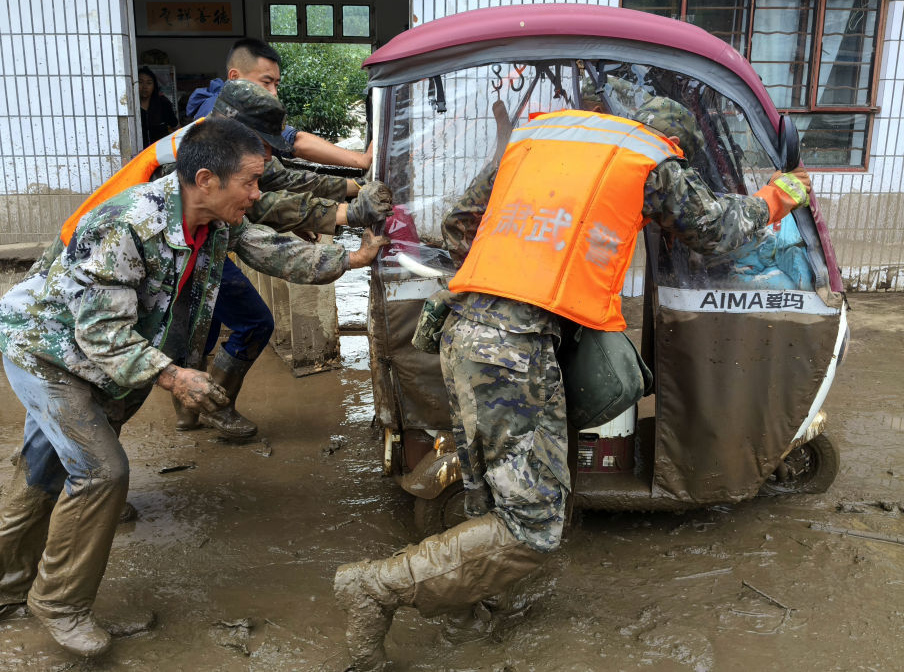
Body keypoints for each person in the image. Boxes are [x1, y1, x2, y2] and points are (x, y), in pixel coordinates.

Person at [332, 107, 812, 670]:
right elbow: (718, 231)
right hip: (512, 348)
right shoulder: (649, 158)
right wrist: (779, 196)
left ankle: (462, 615)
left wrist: (511, 274)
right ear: (674, 139)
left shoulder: (540, 138)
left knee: (488, 495)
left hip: (464, 329)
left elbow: (459, 222)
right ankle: (376, 587)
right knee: (533, 530)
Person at [0, 116, 389, 658]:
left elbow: (272, 250)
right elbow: (101, 334)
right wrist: (174, 375)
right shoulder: (124, 224)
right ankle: (60, 603)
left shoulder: (213, 221)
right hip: (49, 354)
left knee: (45, 472)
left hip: (100, 359)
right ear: (206, 179)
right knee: (101, 471)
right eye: (251, 182)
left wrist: (352, 257)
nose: (257, 195)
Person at [61, 79, 393, 441]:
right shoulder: (197, 162)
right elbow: (267, 203)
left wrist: (352, 229)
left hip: (188, 248)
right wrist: (347, 214)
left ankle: (198, 406)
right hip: (117, 262)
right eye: (269, 81)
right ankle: (202, 405)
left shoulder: (234, 160)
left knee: (201, 332)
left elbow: (278, 207)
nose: (265, 163)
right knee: (162, 347)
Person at [187, 37, 374, 171]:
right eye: (266, 82)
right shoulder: (222, 114)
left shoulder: (217, 105)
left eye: (276, 84)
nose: (273, 93)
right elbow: (296, 141)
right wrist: (362, 160)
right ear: (235, 77)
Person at [137, 66, 178, 147]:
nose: (144, 87)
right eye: (140, 82)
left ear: (154, 86)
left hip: (160, 153)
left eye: (149, 83)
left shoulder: (163, 104)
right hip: (139, 155)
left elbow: (176, 127)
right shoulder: (131, 107)